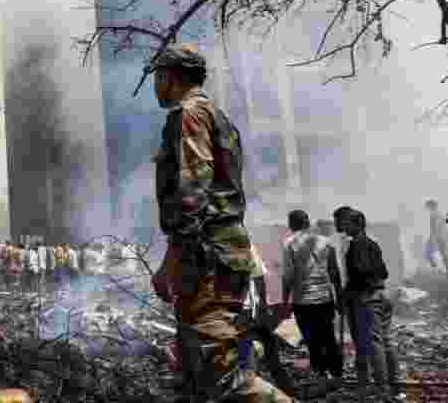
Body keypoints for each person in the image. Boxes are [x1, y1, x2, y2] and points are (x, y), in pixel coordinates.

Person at [146, 44, 289, 403]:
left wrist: (171, 262)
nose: (156, 86)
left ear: (170, 76)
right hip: (222, 256)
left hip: (207, 261)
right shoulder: (217, 115)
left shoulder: (191, 114)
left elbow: (193, 193)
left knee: (224, 379)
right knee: (198, 375)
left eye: (158, 77)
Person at [341, 208, 402, 402]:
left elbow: (359, 272)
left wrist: (348, 290)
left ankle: (382, 389)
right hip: (382, 295)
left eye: (347, 223)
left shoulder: (357, 244)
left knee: (375, 343)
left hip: (368, 298)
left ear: (357, 225)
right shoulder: (372, 244)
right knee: (385, 341)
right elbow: (384, 272)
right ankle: (395, 384)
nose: (344, 226)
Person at [282, 209, 343, 390]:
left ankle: (321, 374)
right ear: (308, 223)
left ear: (291, 224)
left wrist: (285, 301)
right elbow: (334, 272)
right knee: (328, 337)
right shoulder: (326, 242)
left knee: (312, 339)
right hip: (325, 298)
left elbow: (288, 276)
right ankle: (337, 374)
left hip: (303, 301)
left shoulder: (289, 244)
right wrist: (339, 297)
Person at [244, 243, 294, 396]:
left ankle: (285, 391)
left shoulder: (211, 246)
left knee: (261, 351)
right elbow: (259, 278)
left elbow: (259, 277)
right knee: (266, 353)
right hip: (247, 310)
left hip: (243, 311)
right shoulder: (245, 245)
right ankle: (286, 390)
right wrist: (264, 307)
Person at [427, 199, 447, 273]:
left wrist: (433, 236)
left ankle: (442, 268)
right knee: (443, 253)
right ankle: (442, 268)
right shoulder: (438, 214)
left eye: (428, 206)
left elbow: (436, 226)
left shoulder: (435, 214)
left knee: (443, 253)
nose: (428, 209)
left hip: (440, 236)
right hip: (441, 236)